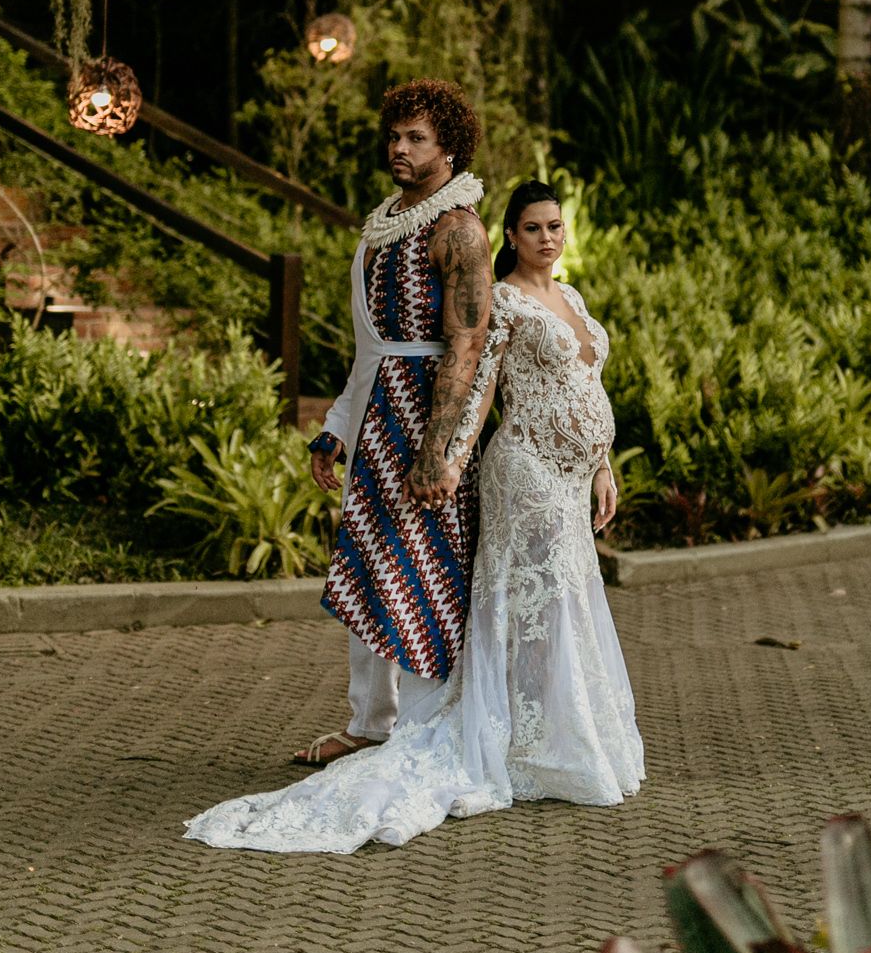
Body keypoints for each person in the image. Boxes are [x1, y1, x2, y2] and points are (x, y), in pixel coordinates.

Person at [185, 178, 644, 854]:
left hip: (575, 479)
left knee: (567, 604)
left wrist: (603, 463)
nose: (547, 238)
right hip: (524, 473)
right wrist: (449, 458)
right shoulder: (507, 299)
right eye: (532, 228)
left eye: (554, 226)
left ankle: (559, 734)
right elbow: (481, 386)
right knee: (527, 605)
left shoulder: (569, 297)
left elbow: (585, 382)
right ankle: (480, 733)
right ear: (509, 236)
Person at [291, 78, 494, 765]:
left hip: (423, 419)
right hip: (375, 415)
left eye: (416, 139)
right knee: (366, 567)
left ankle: (425, 732)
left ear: (449, 149)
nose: (399, 148)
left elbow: (466, 343)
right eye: (394, 135)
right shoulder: (385, 222)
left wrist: (437, 450)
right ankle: (368, 723)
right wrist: (337, 428)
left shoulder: (457, 228)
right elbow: (369, 345)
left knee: (422, 571)